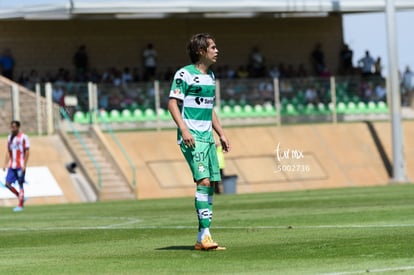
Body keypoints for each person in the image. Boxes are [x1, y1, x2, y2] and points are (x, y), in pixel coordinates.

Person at [168, 33, 230, 251]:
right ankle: (205, 235)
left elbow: (209, 108)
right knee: (203, 182)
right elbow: (172, 103)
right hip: (192, 136)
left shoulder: (211, 77)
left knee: (210, 184)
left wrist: (221, 133)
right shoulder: (184, 74)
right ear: (201, 51)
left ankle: (203, 236)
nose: (217, 50)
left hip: (207, 137)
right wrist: (184, 129)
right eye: (213, 47)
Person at [3, 120, 30, 212]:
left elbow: (27, 152)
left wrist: (24, 165)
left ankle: (20, 205)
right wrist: (5, 163)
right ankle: (20, 196)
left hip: (20, 165)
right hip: (12, 166)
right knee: (7, 183)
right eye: (11, 127)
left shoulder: (23, 137)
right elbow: (8, 152)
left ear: (18, 127)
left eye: (14, 127)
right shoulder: (9, 138)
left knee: (20, 184)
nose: (12, 129)